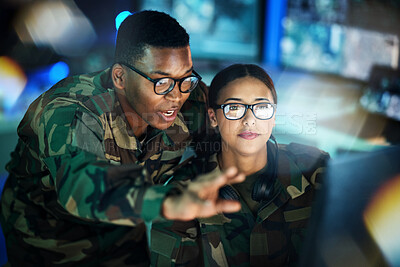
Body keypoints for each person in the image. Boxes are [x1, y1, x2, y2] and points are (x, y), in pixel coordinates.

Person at [0, 11, 244, 266]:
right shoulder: (71, 110)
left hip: (124, 242)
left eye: (185, 78)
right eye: (161, 82)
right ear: (120, 77)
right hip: (50, 249)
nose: (176, 96)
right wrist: (168, 201)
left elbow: (232, 142)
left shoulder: (188, 98)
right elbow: (83, 187)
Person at [150, 64, 330, 266]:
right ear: (213, 117)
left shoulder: (316, 170)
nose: (249, 120)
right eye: (234, 108)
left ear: (274, 116)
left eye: (261, 107)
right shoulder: (183, 194)